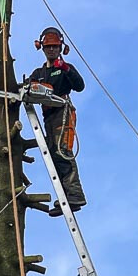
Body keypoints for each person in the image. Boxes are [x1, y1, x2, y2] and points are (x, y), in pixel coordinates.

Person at [29, 27, 86, 216]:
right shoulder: (39, 73)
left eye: (55, 47)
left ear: (61, 48)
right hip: (48, 117)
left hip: (63, 112)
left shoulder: (65, 70)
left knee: (63, 152)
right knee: (53, 155)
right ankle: (65, 197)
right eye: (48, 47)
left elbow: (80, 86)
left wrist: (66, 69)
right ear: (42, 48)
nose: (52, 50)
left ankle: (75, 194)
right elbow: (28, 88)